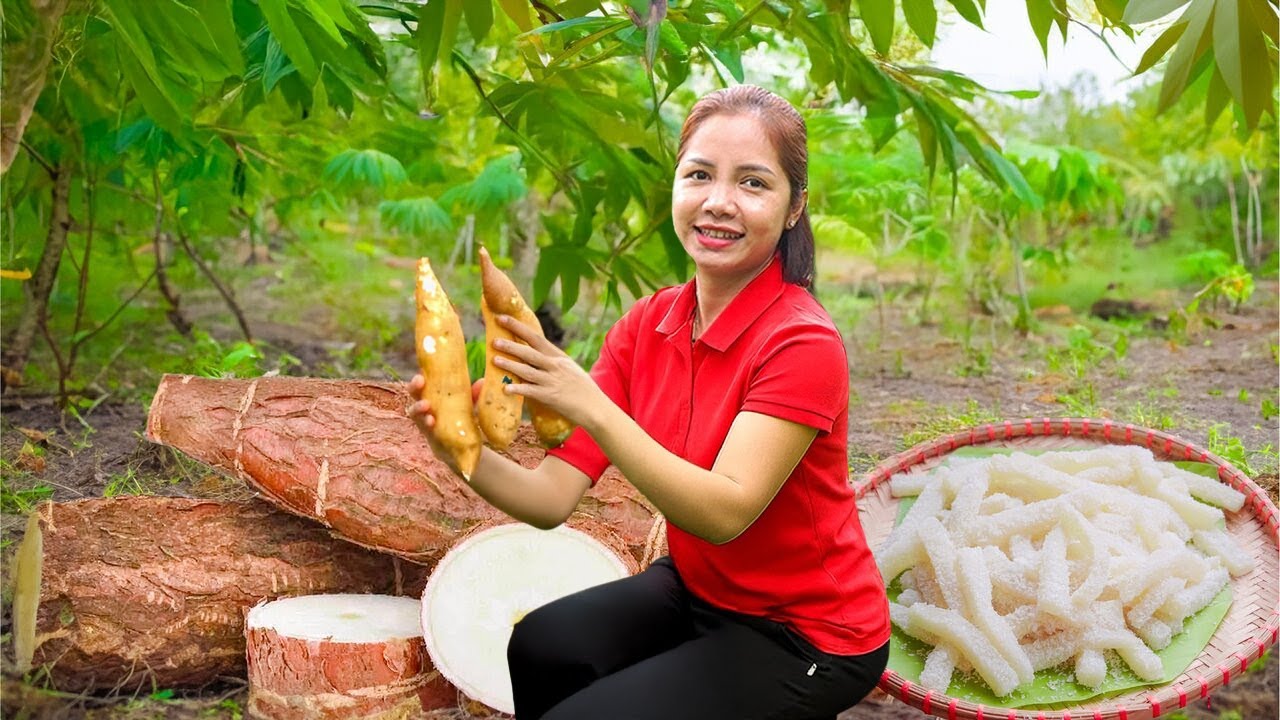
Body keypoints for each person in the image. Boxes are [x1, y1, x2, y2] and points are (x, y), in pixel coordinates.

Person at [409, 84, 890, 720]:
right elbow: (550, 500)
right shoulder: (650, 323)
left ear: (794, 206)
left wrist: (593, 407)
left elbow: (726, 513)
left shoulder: (802, 341)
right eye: (699, 175)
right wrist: (458, 450)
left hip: (808, 634)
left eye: (753, 183)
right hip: (703, 591)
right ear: (676, 186)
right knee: (541, 646)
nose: (719, 202)